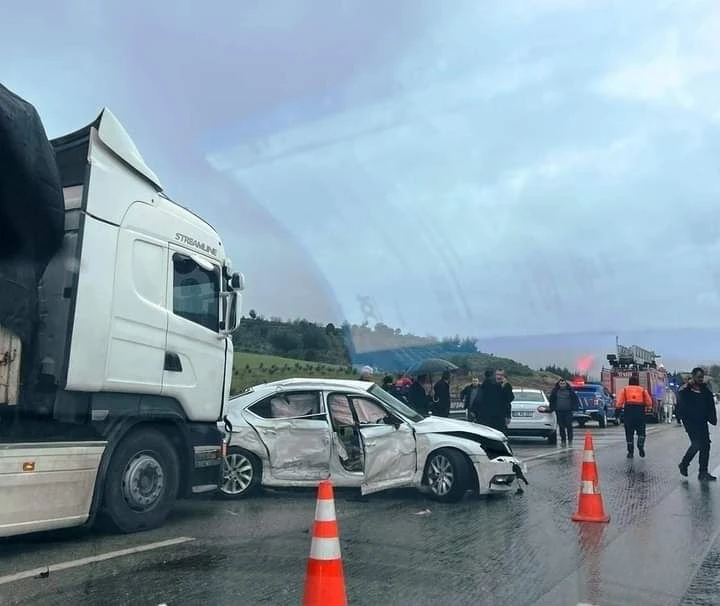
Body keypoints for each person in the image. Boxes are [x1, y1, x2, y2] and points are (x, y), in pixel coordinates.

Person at [677, 367, 718, 481]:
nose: (701, 379)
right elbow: (681, 406)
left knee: (706, 446)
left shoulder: (704, 389)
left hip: (702, 422)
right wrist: (682, 419)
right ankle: (684, 464)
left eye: (702, 377)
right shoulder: (686, 390)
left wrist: (712, 418)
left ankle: (703, 472)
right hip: (691, 423)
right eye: (699, 377)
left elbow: (710, 405)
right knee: (697, 444)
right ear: (693, 376)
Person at [616, 375, 652, 458]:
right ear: (638, 383)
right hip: (640, 412)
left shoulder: (625, 390)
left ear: (629, 382)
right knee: (641, 431)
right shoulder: (642, 390)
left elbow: (619, 403)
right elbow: (649, 402)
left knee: (629, 433)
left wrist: (617, 413)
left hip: (628, 412)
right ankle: (640, 445)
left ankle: (630, 452)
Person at [549, 378, 581, 446]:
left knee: (569, 426)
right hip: (559, 412)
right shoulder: (555, 391)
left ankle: (570, 440)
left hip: (568, 412)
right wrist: (551, 408)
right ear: (559, 384)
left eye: (563, 383)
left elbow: (575, 400)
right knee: (561, 427)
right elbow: (551, 400)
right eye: (561, 383)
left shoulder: (570, 391)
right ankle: (563, 441)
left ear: (566, 384)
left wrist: (575, 408)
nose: (562, 385)